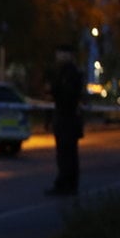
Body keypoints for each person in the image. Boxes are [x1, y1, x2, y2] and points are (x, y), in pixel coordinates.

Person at [46, 43, 84, 196]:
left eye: (60, 54)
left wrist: (54, 91)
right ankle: (68, 183)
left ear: (67, 55)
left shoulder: (69, 73)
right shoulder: (66, 72)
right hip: (66, 118)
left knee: (66, 154)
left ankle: (66, 184)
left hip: (67, 118)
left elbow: (67, 96)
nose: (58, 57)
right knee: (67, 153)